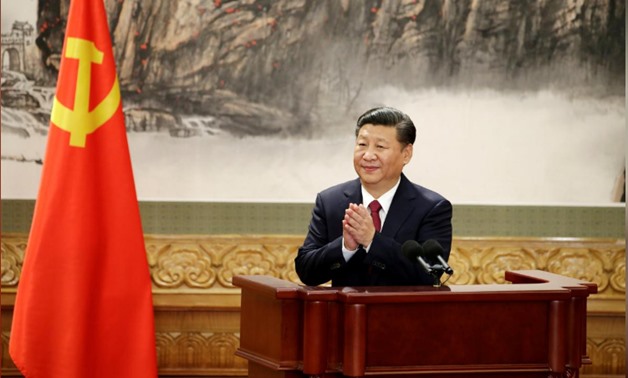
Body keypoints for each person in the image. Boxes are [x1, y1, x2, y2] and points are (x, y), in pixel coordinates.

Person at [295, 106, 452, 286]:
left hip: (403, 314)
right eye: (362, 145)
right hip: (346, 313)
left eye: (380, 146)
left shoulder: (432, 208)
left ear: (406, 154)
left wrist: (372, 240)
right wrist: (345, 247)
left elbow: (430, 275)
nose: (368, 155)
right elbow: (306, 271)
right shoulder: (330, 201)